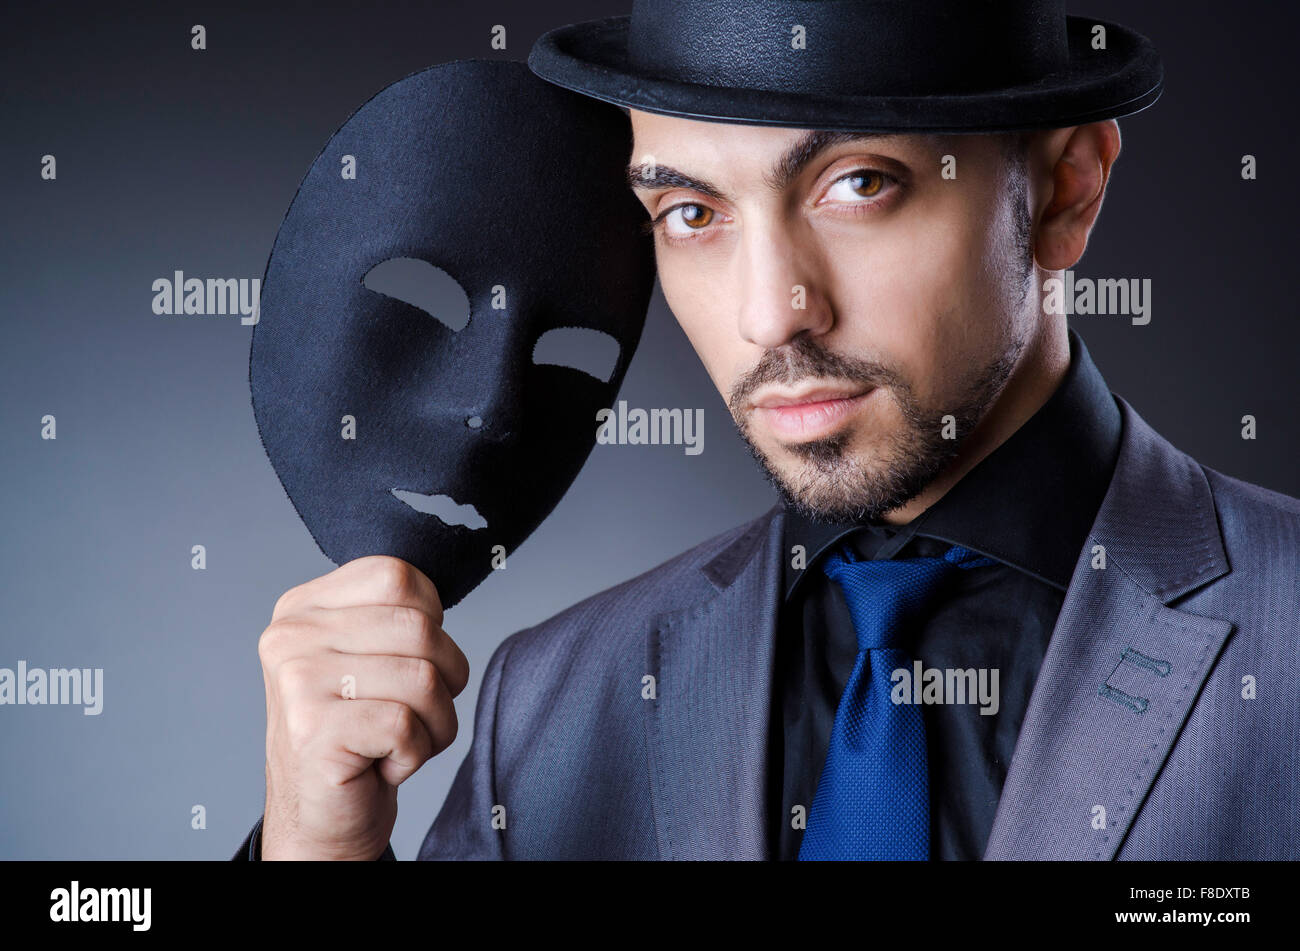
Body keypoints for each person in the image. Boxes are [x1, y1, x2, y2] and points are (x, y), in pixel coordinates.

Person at [236, 0, 1299, 861]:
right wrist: (312, 851)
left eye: (856, 184)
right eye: (692, 212)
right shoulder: (549, 705)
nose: (769, 312)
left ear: (1065, 191)